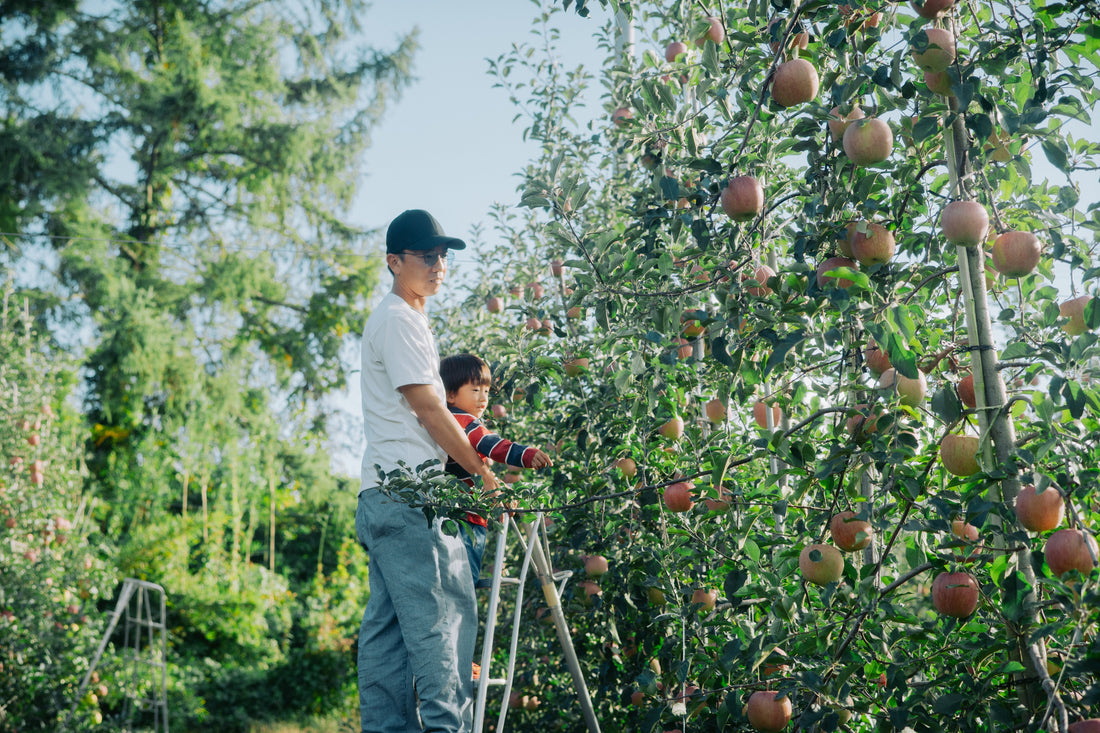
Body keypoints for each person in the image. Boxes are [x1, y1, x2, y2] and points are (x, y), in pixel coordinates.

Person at [357, 209, 501, 733]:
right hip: (412, 498)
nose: (438, 265)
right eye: (426, 256)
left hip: (380, 496)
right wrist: (482, 475)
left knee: (389, 634)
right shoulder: (398, 319)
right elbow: (429, 408)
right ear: (394, 262)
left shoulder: (403, 319)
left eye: (443, 256)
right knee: (446, 624)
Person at [439, 353, 553, 584]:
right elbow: (492, 444)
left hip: (447, 512)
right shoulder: (463, 422)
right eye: (475, 390)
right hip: (467, 519)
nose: (483, 398)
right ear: (450, 394)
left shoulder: (443, 421)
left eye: (487, 391)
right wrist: (526, 454)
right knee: (464, 582)